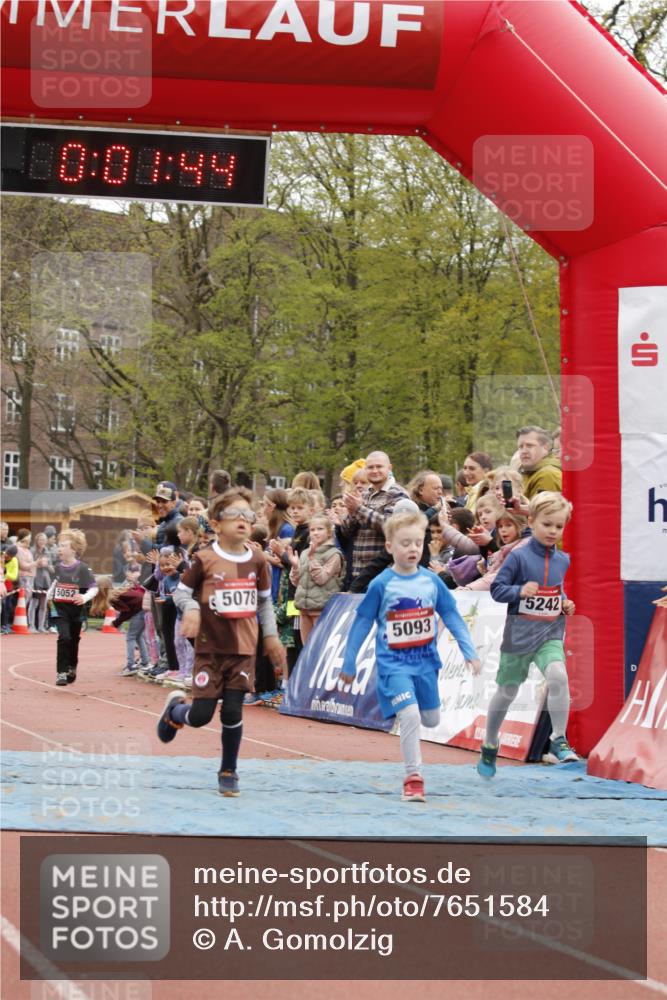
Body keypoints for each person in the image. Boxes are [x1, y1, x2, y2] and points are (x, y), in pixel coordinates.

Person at [339, 509, 480, 802]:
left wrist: (469, 651)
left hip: (426, 664)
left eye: (418, 543)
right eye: (405, 543)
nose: (413, 549)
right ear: (390, 547)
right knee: (411, 715)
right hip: (393, 665)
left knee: (429, 718)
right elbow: (362, 622)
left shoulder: (432, 582)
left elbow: (452, 615)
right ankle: (413, 777)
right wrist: (349, 661)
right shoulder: (381, 584)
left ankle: (409, 713)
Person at [159, 487, 286, 797]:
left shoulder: (257, 560)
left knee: (232, 712)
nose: (242, 521)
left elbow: (264, 603)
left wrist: (270, 638)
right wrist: (191, 610)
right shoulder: (204, 559)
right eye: (233, 515)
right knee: (201, 716)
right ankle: (176, 711)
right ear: (216, 524)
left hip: (243, 651)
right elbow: (182, 592)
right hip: (210, 650)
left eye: (248, 515)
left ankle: (228, 770)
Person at [476, 492, 577, 778]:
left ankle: (558, 738)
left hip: (549, 632)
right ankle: (490, 741)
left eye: (559, 526)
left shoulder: (563, 559)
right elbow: (497, 590)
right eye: (547, 525)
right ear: (531, 521)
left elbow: (555, 589)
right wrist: (520, 591)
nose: (553, 532)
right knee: (507, 692)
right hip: (519, 636)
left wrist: (564, 602)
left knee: (558, 675)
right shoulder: (518, 556)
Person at [339, 451, 408, 587]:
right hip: (358, 573)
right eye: (370, 467)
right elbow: (346, 532)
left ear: (389, 468)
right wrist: (351, 512)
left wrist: (359, 509)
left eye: (379, 467)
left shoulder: (398, 494)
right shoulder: (364, 494)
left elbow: (392, 528)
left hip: (385, 573)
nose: (374, 471)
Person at [48, 529, 98, 686]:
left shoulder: (83, 568)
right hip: (60, 609)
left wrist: (84, 597)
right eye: (59, 545)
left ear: (73, 550)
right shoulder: (57, 567)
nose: (59, 548)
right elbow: (56, 583)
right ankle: (61, 672)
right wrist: (50, 594)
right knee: (64, 637)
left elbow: (94, 588)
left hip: (76, 611)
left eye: (63, 545)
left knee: (74, 639)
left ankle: (72, 666)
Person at [288, 514, 344, 643]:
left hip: (321, 610)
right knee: (306, 649)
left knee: (319, 647)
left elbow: (321, 579)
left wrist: (312, 559)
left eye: (320, 529)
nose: (315, 533)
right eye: (312, 530)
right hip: (304, 610)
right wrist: (295, 567)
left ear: (329, 532)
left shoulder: (334, 554)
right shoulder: (305, 552)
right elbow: (296, 582)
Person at [110, 562, 150, 677]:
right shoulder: (125, 589)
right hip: (144, 607)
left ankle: (131, 665)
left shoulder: (114, 597)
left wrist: (117, 622)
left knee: (130, 636)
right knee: (138, 636)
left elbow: (127, 611)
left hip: (140, 610)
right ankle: (145, 662)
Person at [517, 426, 562, 498]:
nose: (524, 451)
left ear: (545, 447)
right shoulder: (529, 472)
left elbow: (543, 508)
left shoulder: (547, 475)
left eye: (529, 446)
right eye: (521, 447)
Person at [153, 482, 183, 546]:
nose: (160, 505)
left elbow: (168, 550)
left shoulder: (178, 523)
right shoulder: (163, 523)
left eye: (164, 501)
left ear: (174, 503)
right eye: (158, 502)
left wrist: (144, 542)